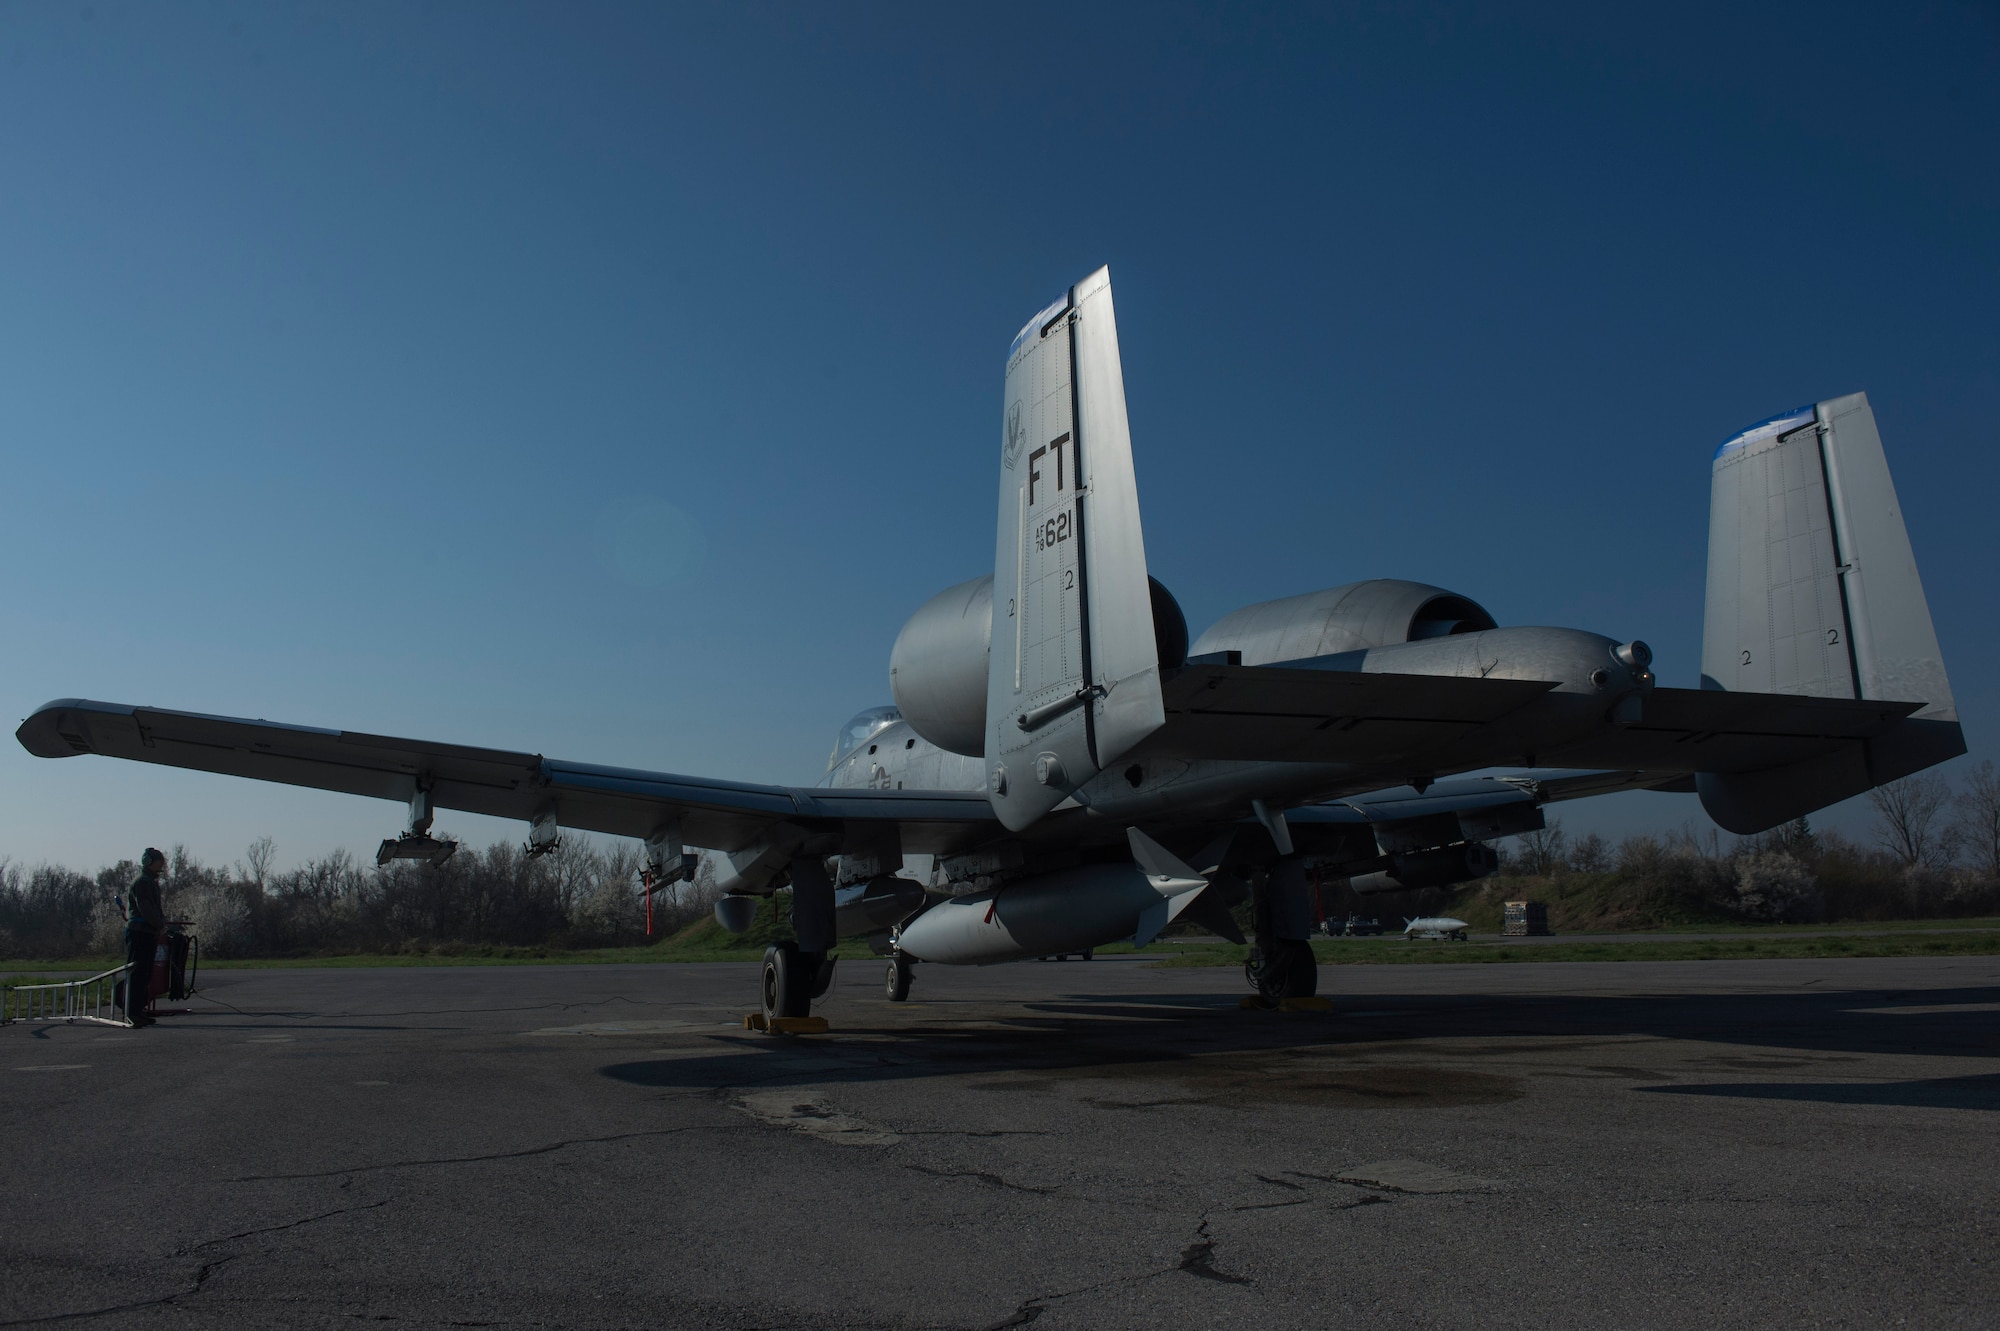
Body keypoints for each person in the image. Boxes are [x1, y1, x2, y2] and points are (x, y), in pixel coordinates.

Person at [123, 848, 168, 1026]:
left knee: (146, 974)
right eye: (159, 861)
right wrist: (159, 925)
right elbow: (146, 909)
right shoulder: (142, 882)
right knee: (138, 973)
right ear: (149, 862)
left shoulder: (150, 882)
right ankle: (132, 1012)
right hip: (139, 932)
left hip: (148, 932)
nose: (162, 865)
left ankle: (139, 1010)